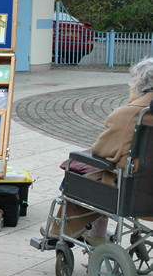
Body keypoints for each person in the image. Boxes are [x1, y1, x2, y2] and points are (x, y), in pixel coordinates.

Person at [44, 57, 153, 244]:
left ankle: (79, 232)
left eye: (132, 80)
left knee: (83, 175)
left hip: (134, 193)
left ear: (140, 84)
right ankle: (93, 233)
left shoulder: (130, 115)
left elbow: (101, 150)